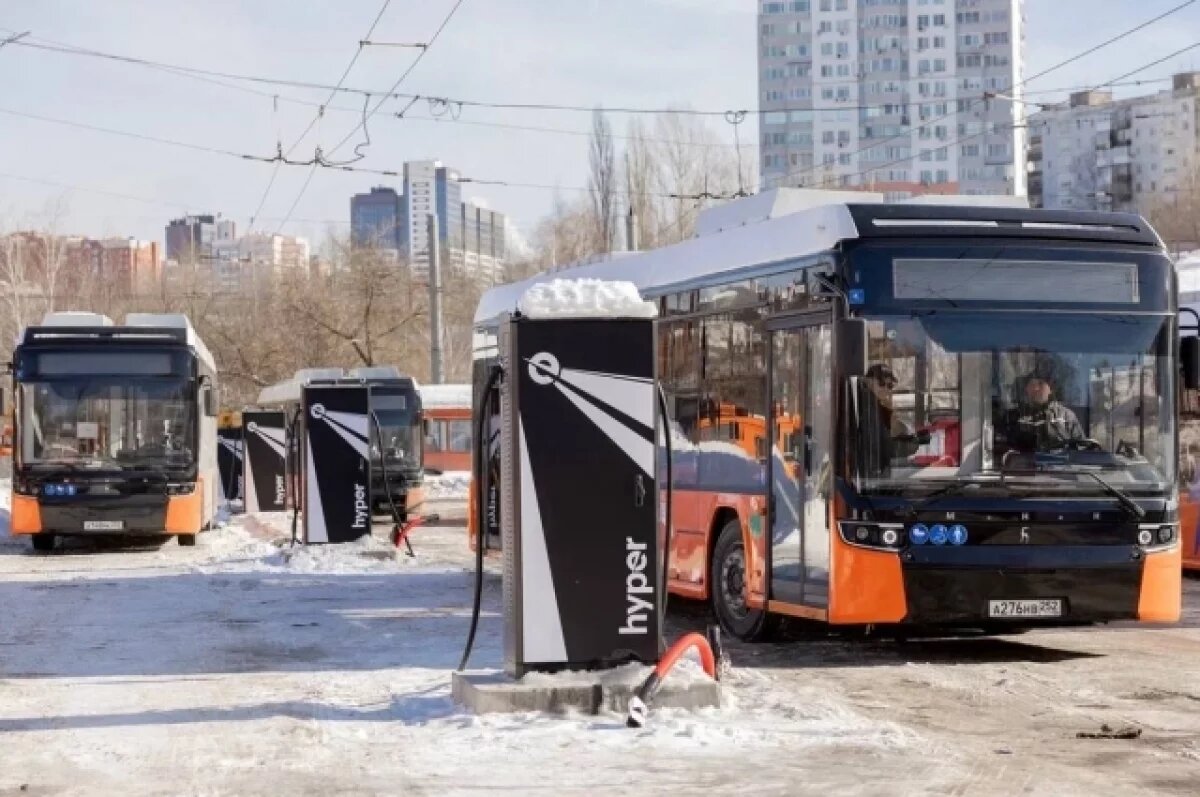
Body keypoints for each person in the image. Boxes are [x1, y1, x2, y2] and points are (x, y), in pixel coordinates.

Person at [999, 370, 1085, 452]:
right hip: (1021, 466)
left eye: (1041, 384)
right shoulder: (1013, 417)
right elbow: (1001, 446)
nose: (1036, 388)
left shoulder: (1067, 416)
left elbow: (1082, 448)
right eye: (1032, 384)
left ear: (1050, 389)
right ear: (1026, 389)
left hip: (1060, 465)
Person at [860, 364, 922, 474]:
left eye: (889, 386)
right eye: (881, 383)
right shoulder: (868, 408)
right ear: (869, 381)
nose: (885, 389)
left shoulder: (876, 407)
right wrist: (913, 444)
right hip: (872, 474)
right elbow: (882, 447)